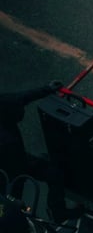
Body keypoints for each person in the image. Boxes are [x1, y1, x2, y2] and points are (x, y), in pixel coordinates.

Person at [0, 82, 81, 222]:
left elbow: (22, 97)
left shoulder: (5, 107)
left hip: (11, 166)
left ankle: (21, 221)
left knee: (12, 203)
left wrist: (46, 89)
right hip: (12, 166)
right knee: (53, 174)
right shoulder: (6, 136)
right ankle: (56, 211)